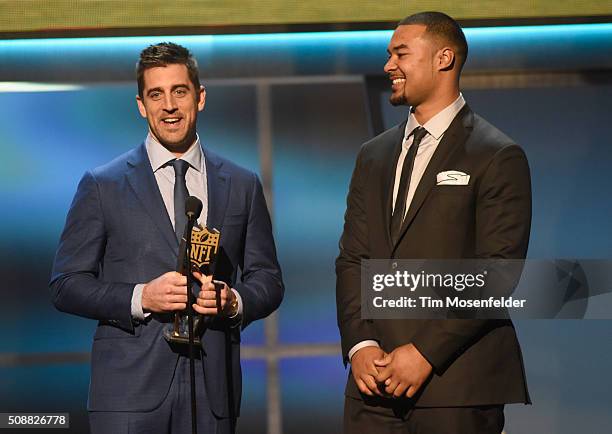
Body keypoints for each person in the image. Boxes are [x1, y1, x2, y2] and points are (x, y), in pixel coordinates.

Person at [50, 42, 284, 434]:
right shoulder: (102, 185)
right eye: (156, 94)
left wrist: (232, 301)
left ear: (200, 97)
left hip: (214, 392)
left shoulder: (242, 184)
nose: (169, 106)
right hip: (128, 394)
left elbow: (268, 280)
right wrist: (142, 296)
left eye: (179, 91)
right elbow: (65, 285)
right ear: (141, 105)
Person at [336, 11, 531, 434]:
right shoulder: (373, 154)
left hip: (457, 388)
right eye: (389, 55)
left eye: (401, 54)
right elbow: (353, 259)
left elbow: (498, 273)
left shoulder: (496, 154)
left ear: (444, 58)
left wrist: (424, 352)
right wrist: (360, 345)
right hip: (372, 389)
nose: (389, 65)